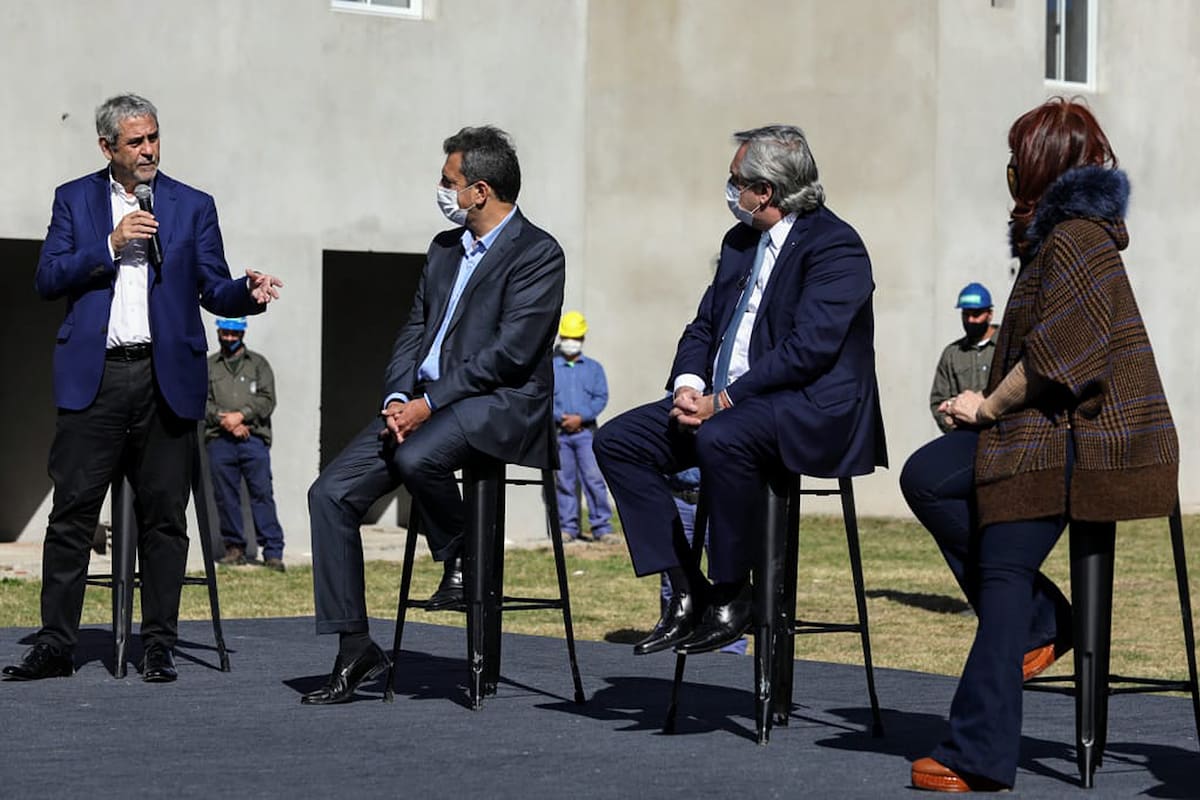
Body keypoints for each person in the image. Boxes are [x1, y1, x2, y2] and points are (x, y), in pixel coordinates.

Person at [900, 97, 1178, 792]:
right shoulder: (1060, 238)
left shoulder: (1077, 238)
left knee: (1001, 563)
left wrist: (984, 405)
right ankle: (1038, 621)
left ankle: (978, 751)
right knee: (928, 475)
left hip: (1080, 440)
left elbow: (1063, 358)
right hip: (1044, 429)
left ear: (1044, 165)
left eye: (1016, 159)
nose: (1008, 171)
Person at [3, 93, 283, 684]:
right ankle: (56, 644)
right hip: (97, 377)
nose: (149, 149)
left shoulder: (193, 204)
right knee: (73, 514)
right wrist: (108, 244)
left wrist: (247, 293)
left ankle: (159, 641)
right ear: (107, 147)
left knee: (164, 518)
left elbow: (213, 287)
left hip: (167, 379)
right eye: (136, 141)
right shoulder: (74, 199)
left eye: (154, 137)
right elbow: (48, 278)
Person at [594, 124, 887, 657]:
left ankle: (733, 593)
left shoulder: (836, 246)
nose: (728, 189)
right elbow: (704, 326)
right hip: (725, 403)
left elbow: (809, 349)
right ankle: (688, 591)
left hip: (808, 406)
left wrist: (721, 401)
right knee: (618, 441)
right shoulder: (739, 243)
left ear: (765, 191)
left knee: (721, 438)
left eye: (735, 180)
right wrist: (688, 386)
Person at [302, 126, 565, 705]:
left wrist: (429, 402)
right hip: (424, 408)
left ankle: (462, 560)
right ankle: (355, 648)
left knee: (418, 455)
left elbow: (511, 353)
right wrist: (399, 398)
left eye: (448, 182)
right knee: (329, 494)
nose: (440, 190)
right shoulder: (444, 249)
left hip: (499, 404)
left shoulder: (538, 252)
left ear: (479, 190)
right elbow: (415, 329)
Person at [205, 316, 287, 571]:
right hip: (219, 440)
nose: (229, 338)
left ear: (242, 334)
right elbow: (200, 401)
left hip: (253, 439)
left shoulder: (258, 364)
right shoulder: (209, 366)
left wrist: (241, 416)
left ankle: (273, 552)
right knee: (225, 496)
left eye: (234, 333)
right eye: (225, 333)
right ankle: (234, 548)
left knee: (262, 493)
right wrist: (226, 420)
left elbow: (267, 399)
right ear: (219, 332)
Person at [660, 468, 746, 655]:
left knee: (726, 574)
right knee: (673, 579)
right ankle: (677, 634)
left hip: (718, 498)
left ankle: (731, 648)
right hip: (677, 497)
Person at [552, 310, 615, 544]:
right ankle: (568, 528)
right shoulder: (551, 368)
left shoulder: (594, 368)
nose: (571, 342)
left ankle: (602, 528)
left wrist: (581, 417)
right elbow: (543, 399)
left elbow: (601, 397)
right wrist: (561, 418)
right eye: (568, 337)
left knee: (594, 479)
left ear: (582, 339)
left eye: (575, 338)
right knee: (565, 482)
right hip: (560, 435)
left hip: (586, 434)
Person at [928, 283, 997, 433]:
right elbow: (938, 401)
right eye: (966, 314)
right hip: (966, 437)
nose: (970, 320)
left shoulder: (1005, 345)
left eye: (976, 314)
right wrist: (949, 421)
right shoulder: (952, 354)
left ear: (990, 314)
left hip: (1002, 437)